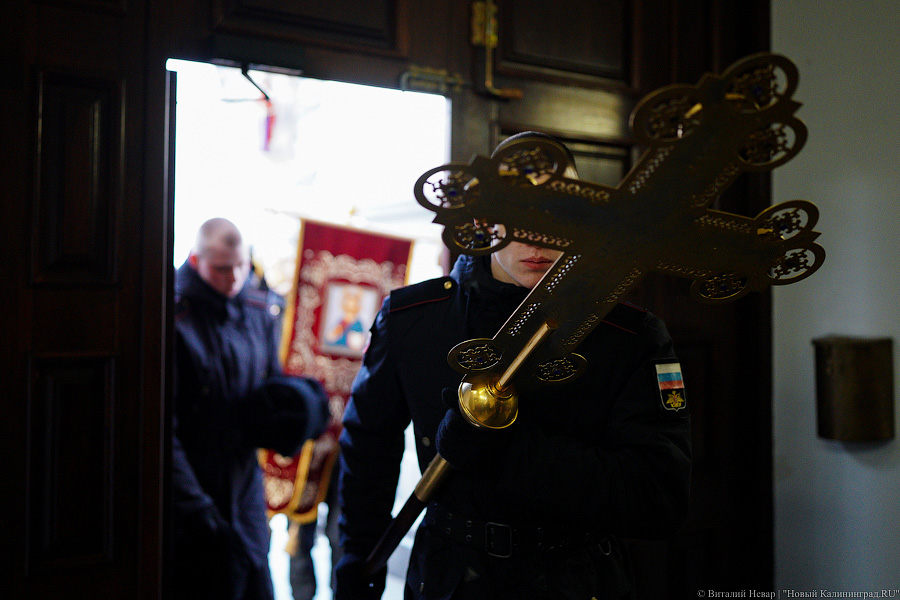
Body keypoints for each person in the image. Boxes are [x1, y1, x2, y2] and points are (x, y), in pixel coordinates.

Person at [333, 133, 692, 599]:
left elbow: (659, 499)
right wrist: (356, 556)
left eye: (559, 215)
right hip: (448, 577)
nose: (538, 237)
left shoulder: (629, 337)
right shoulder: (412, 320)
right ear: (484, 217)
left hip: (577, 578)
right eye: (520, 213)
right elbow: (368, 453)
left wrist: (510, 452)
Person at [171, 217, 330, 600]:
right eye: (222, 269)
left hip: (244, 484)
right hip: (192, 490)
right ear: (195, 261)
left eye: (241, 265)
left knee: (256, 582)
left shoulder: (258, 310)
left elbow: (269, 382)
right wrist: (195, 507)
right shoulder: (173, 316)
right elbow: (163, 429)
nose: (235, 277)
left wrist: (296, 411)